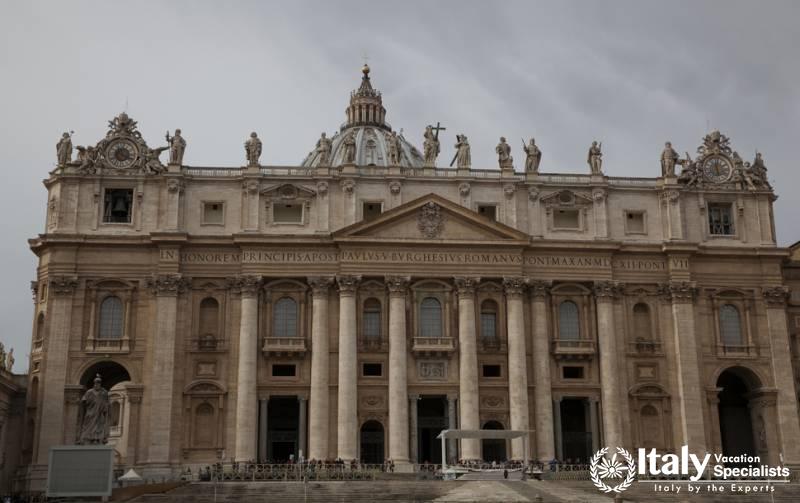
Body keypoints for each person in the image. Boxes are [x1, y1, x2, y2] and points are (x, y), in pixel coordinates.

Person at [76, 374, 110, 444]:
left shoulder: (103, 392)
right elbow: (83, 401)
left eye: (99, 383)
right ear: (94, 383)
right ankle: (86, 438)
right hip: (90, 412)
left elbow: (106, 402)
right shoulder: (89, 392)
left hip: (99, 413)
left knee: (99, 426)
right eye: (96, 382)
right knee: (88, 426)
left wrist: (105, 408)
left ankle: (96, 439)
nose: (97, 384)